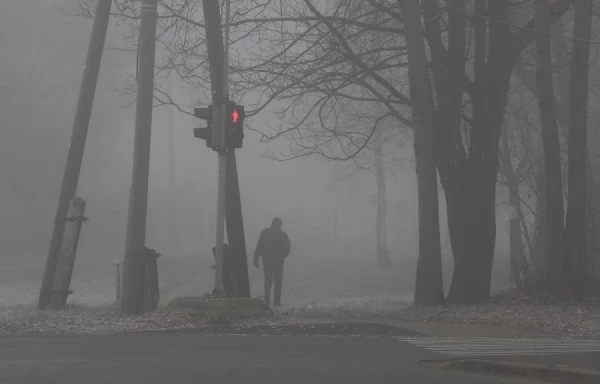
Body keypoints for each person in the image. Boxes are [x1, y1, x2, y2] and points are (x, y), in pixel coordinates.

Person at [253, 217, 291, 306]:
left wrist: (256, 259)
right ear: (278, 224)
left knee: (268, 280)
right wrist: (282, 256)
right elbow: (288, 248)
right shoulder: (282, 234)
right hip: (279, 262)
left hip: (267, 261)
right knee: (278, 282)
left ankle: (267, 301)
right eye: (280, 225)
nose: (280, 227)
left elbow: (259, 247)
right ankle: (277, 302)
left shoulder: (264, 232)